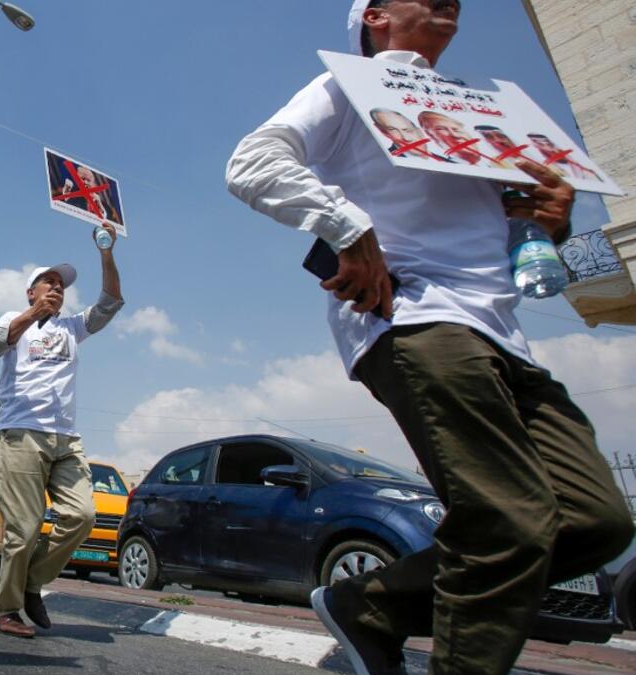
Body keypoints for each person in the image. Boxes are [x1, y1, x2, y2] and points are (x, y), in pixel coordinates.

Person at [225, 2, 632, 673]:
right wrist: (344, 225)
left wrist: (547, 223)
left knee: (596, 520)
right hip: (415, 316)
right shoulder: (348, 85)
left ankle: (372, 604)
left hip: (504, 335)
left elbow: (497, 241)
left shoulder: (473, 110)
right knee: (507, 518)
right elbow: (253, 161)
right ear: (377, 15)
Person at [0, 223, 124, 638]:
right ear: (31, 291)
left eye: (61, 285)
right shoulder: (15, 318)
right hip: (20, 435)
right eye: (48, 282)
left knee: (82, 515)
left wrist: (106, 252)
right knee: (23, 529)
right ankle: (3, 610)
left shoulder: (72, 328)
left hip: (65, 440)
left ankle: (30, 584)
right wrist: (31, 316)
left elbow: (111, 301)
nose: (57, 288)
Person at [417, 111, 505, 167]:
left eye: (456, 129)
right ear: (432, 136)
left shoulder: (500, 164)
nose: (455, 135)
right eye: (442, 129)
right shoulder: (438, 166)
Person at [369, 108, 451, 161]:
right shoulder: (384, 160)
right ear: (384, 133)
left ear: (419, 132)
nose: (406, 138)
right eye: (393, 130)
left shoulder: (448, 162)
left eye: (408, 131)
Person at [528, 133, 601, 181]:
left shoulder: (582, 166)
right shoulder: (549, 169)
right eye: (535, 141)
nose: (544, 143)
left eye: (546, 141)